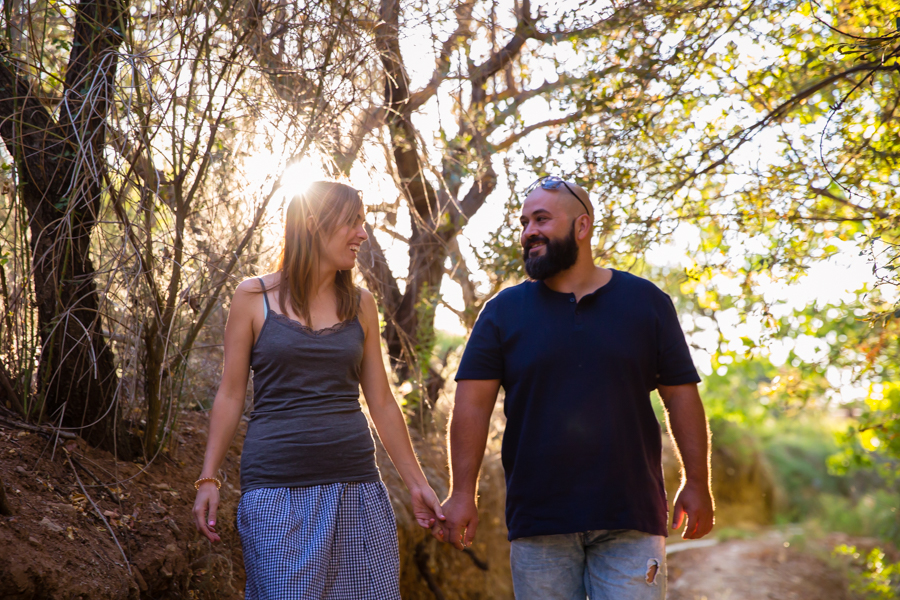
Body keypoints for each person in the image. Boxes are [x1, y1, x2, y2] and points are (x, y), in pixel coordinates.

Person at [434, 176, 715, 599]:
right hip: (540, 522)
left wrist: (697, 481)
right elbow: (471, 406)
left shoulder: (646, 302)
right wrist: (461, 494)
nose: (529, 232)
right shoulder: (502, 313)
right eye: (525, 222)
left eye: (542, 219)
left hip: (632, 517)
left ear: (582, 227)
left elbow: (680, 396)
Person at [192, 181, 444, 600]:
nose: (362, 234)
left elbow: (380, 400)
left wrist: (416, 482)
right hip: (275, 490)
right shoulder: (253, 296)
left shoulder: (361, 303)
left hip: (357, 488)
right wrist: (208, 479)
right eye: (353, 222)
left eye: (362, 222)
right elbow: (231, 394)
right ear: (313, 223)